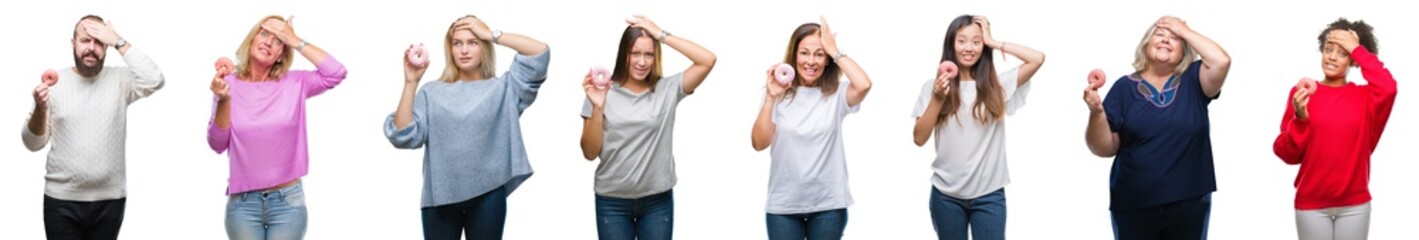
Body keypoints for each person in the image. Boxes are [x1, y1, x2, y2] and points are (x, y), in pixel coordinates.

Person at [384, 15, 550, 240]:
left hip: (488, 195)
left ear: (484, 47)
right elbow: (402, 135)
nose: (464, 50)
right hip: (439, 198)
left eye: (473, 42)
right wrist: (411, 83)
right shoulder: (432, 92)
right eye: (457, 43)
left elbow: (539, 52)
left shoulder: (504, 89)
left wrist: (490, 34)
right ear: (449, 49)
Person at [1081, 16, 1231, 240]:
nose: (1165, 40)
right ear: (1146, 44)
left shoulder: (1195, 78)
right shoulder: (1123, 88)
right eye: (1159, 34)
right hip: (1133, 201)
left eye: (1174, 38)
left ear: (1185, 51)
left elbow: (1222, 61)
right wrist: (1096, 112)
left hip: (1189, 201)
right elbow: (1103, 148)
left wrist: (1184, 29)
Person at [22, 14, 165, 240]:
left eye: (99, 41)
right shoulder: (54, 84)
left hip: (110, 201)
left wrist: (117, 40)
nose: (92, 48)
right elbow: (32, 143)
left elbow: (155, 79)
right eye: (85, 40)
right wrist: (40, 108)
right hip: (61, 201)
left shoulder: (120, 80)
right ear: (73, 43)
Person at [207, 15, 348, 240]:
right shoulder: (228, 84)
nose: (268, 42)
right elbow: (217, 144)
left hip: (287, 203)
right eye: (264, 34)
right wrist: (223, 99)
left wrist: (294, 39)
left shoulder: (295, 83)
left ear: (282, 54)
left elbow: (336, 72)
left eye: (278, 40)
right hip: (243, 206)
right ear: (251, 40)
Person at [579, 15, 716, 240]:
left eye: (649, 54)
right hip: (612, 201)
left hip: (657, 201)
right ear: (624, 53)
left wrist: (660, 33)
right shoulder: (600, 92)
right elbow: (589, 153)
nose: (642, 62)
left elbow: (707, 60)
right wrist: (598, 107)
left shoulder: (668, 89)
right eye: (635, 53)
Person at [911, 15, 1045, 240]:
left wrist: (994, 42)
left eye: (976, 41)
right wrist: (937, 98)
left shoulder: (998, 86)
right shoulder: (931, 88)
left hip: (989, 195)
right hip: (946, 196)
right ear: (951, 44)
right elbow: (919, 138)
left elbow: (1037, 59)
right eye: (961, 41)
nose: (969, 48)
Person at [749, 16, 875, 240]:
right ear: (794, 55)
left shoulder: (837, 94)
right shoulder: (776, 93)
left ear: (827, 60)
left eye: (819, 54)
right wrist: (770, 99)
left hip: (828, 204)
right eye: (804, 53)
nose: (811, 61)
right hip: (784, 206)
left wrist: (835, 50)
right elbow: (759, 143)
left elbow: (864, 84)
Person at [1272, 18, 1395, 240]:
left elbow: (1389, 87)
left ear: (1354, 60)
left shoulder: (1365, 97)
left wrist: (1357, 49)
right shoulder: (1302, 94)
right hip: (1311, 204)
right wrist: (1300, 119)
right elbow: (1286, 154)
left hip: (1355, 205)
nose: (1332, 57)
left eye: (1343, 52)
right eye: (1328, 49)